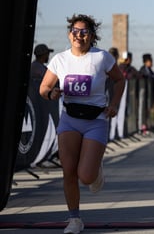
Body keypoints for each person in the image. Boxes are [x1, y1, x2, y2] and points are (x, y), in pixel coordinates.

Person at [39, 14, 125, 234]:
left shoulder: (102, 57)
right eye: (75, 31)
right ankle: (74, 219)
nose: (79, 35)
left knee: (86, 176)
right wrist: (52, 93)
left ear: (91, 36)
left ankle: (95, 169)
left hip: (96, 120)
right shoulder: (59, 60)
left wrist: (114, 104)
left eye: (84, 32)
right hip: (69, 120)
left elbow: (120, 79)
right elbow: (43, 88)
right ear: (70, 34)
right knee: (69, 171)